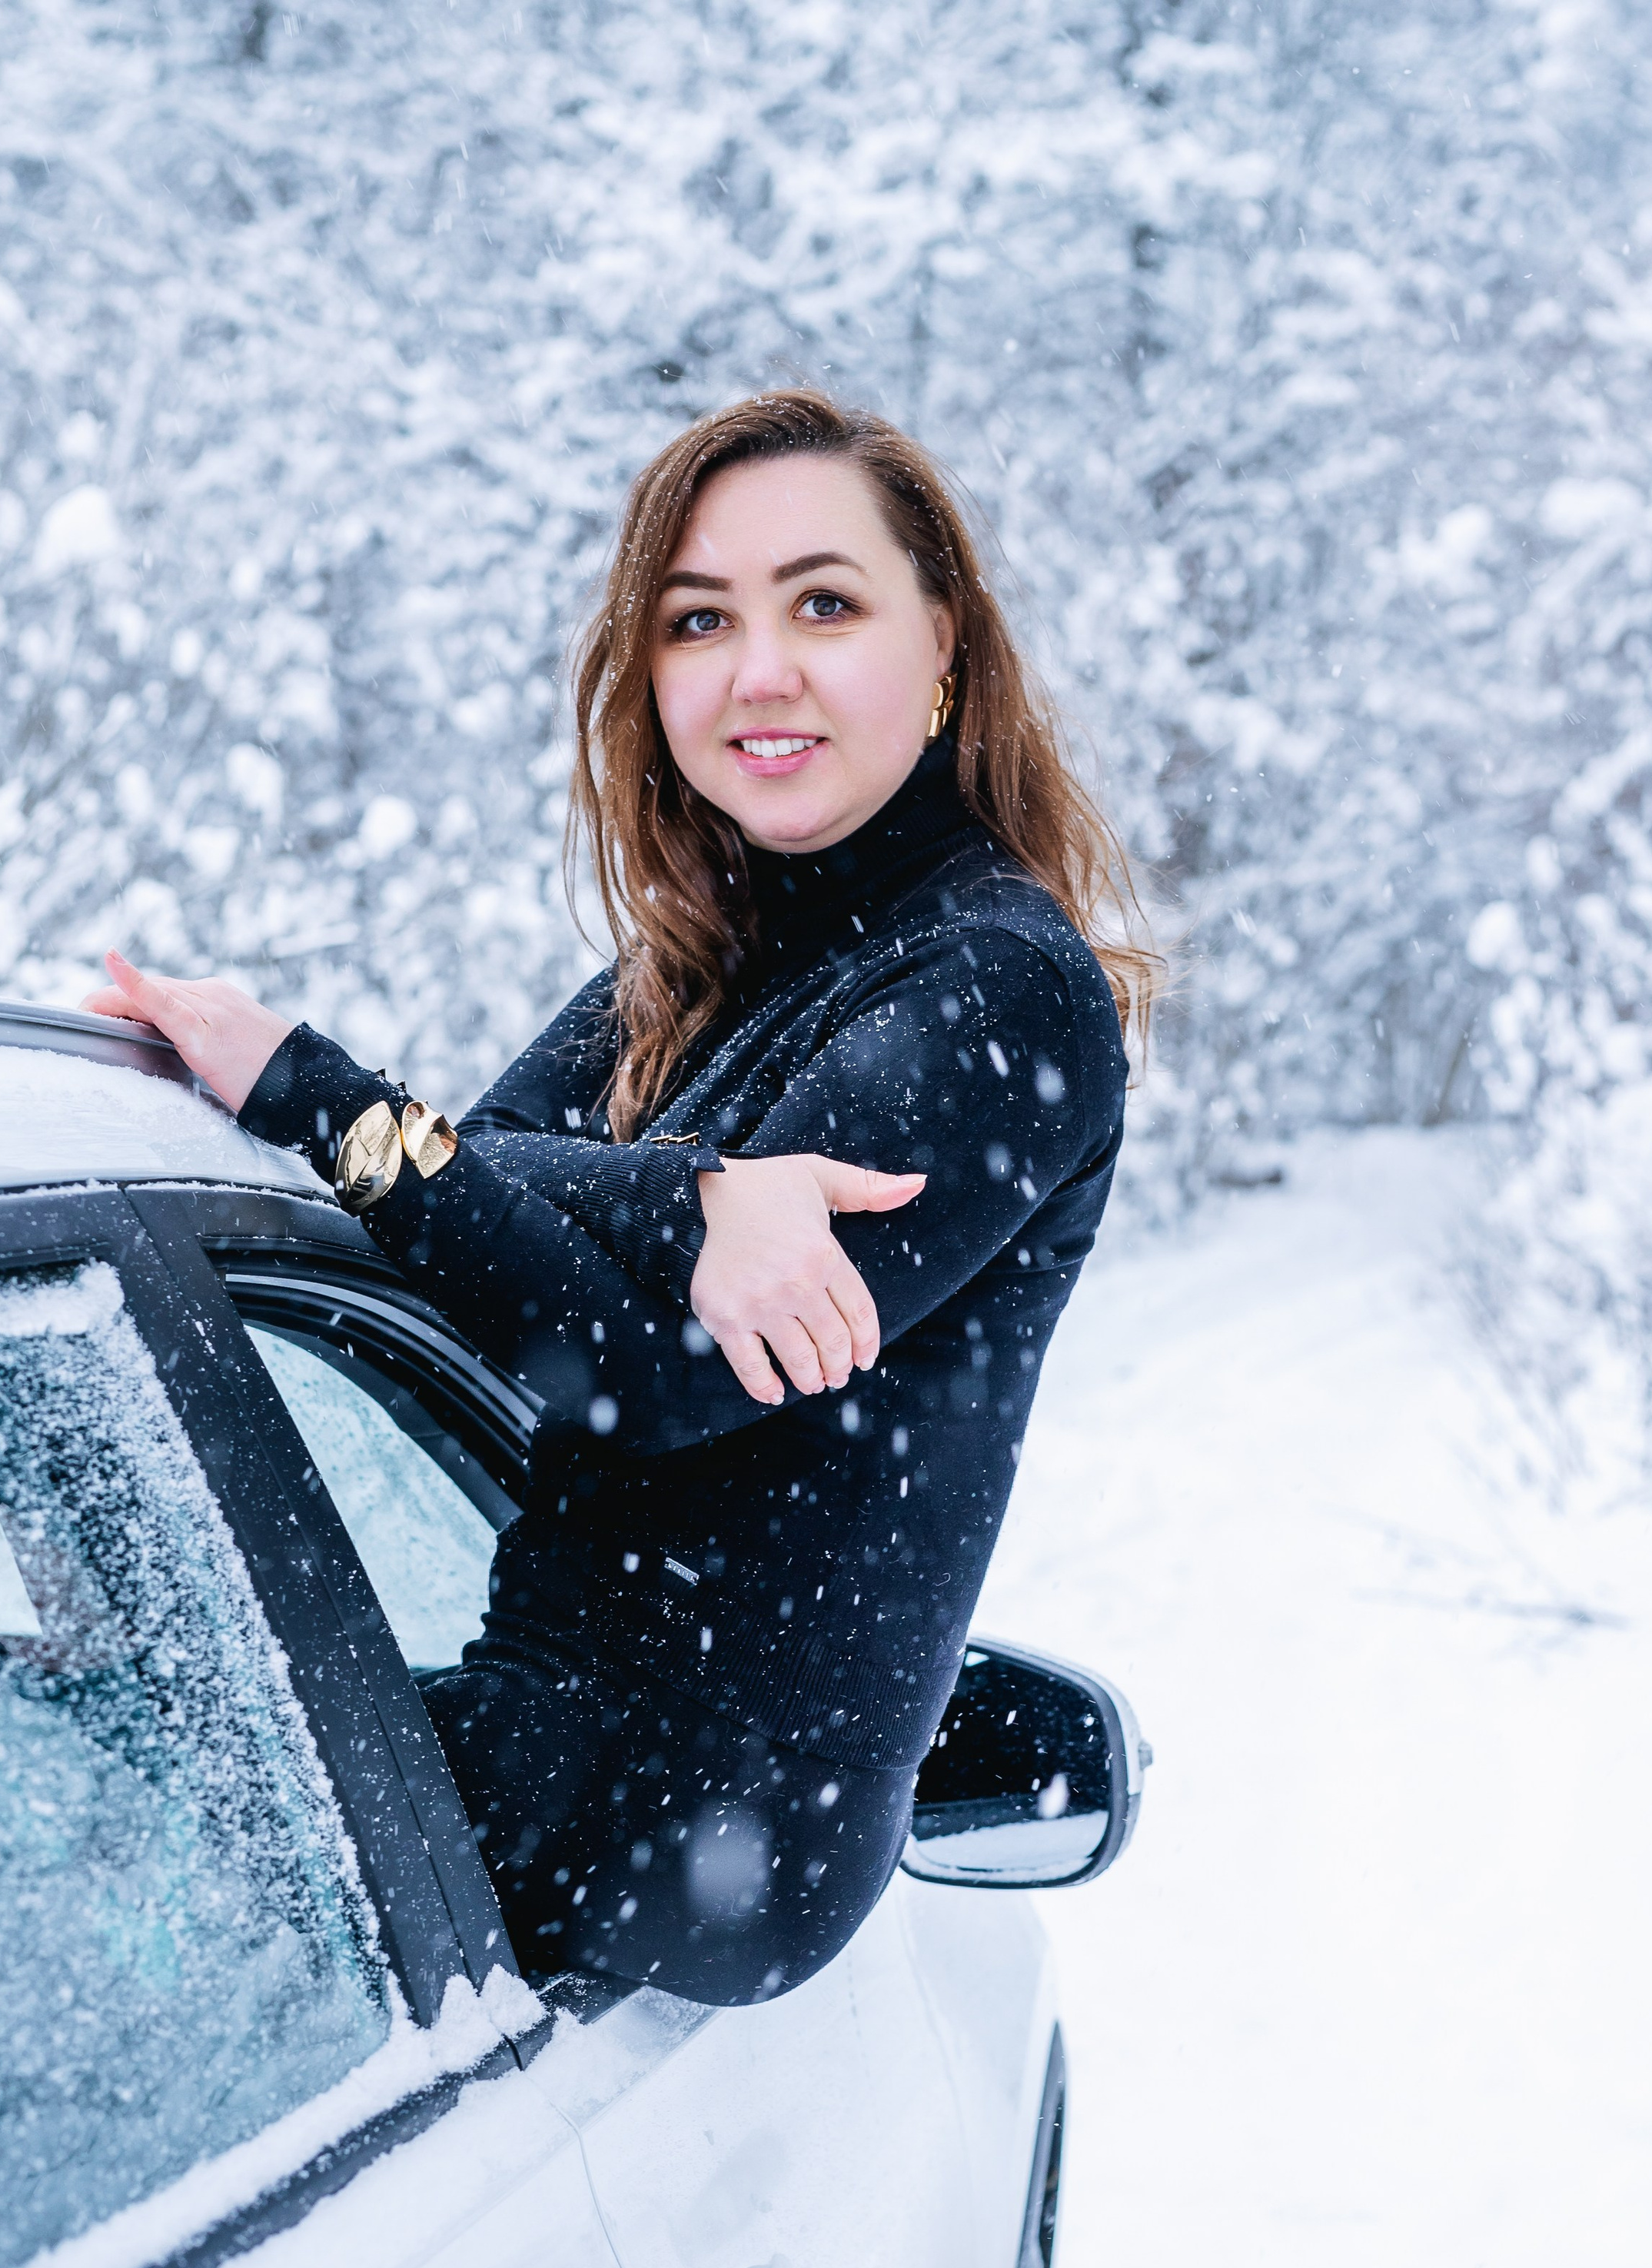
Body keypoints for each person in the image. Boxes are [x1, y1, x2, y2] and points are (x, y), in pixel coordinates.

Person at [88, 388, 1158, 2007]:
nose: (757, 671)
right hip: (554, 1742)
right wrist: (710, 1192)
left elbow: (650, 1375)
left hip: (689, 1829)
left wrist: (325, 1096)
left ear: (942, 644)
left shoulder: (1000, 993)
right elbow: (479, 1165)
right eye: (697, 620)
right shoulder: (704, 960)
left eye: (821, 603)